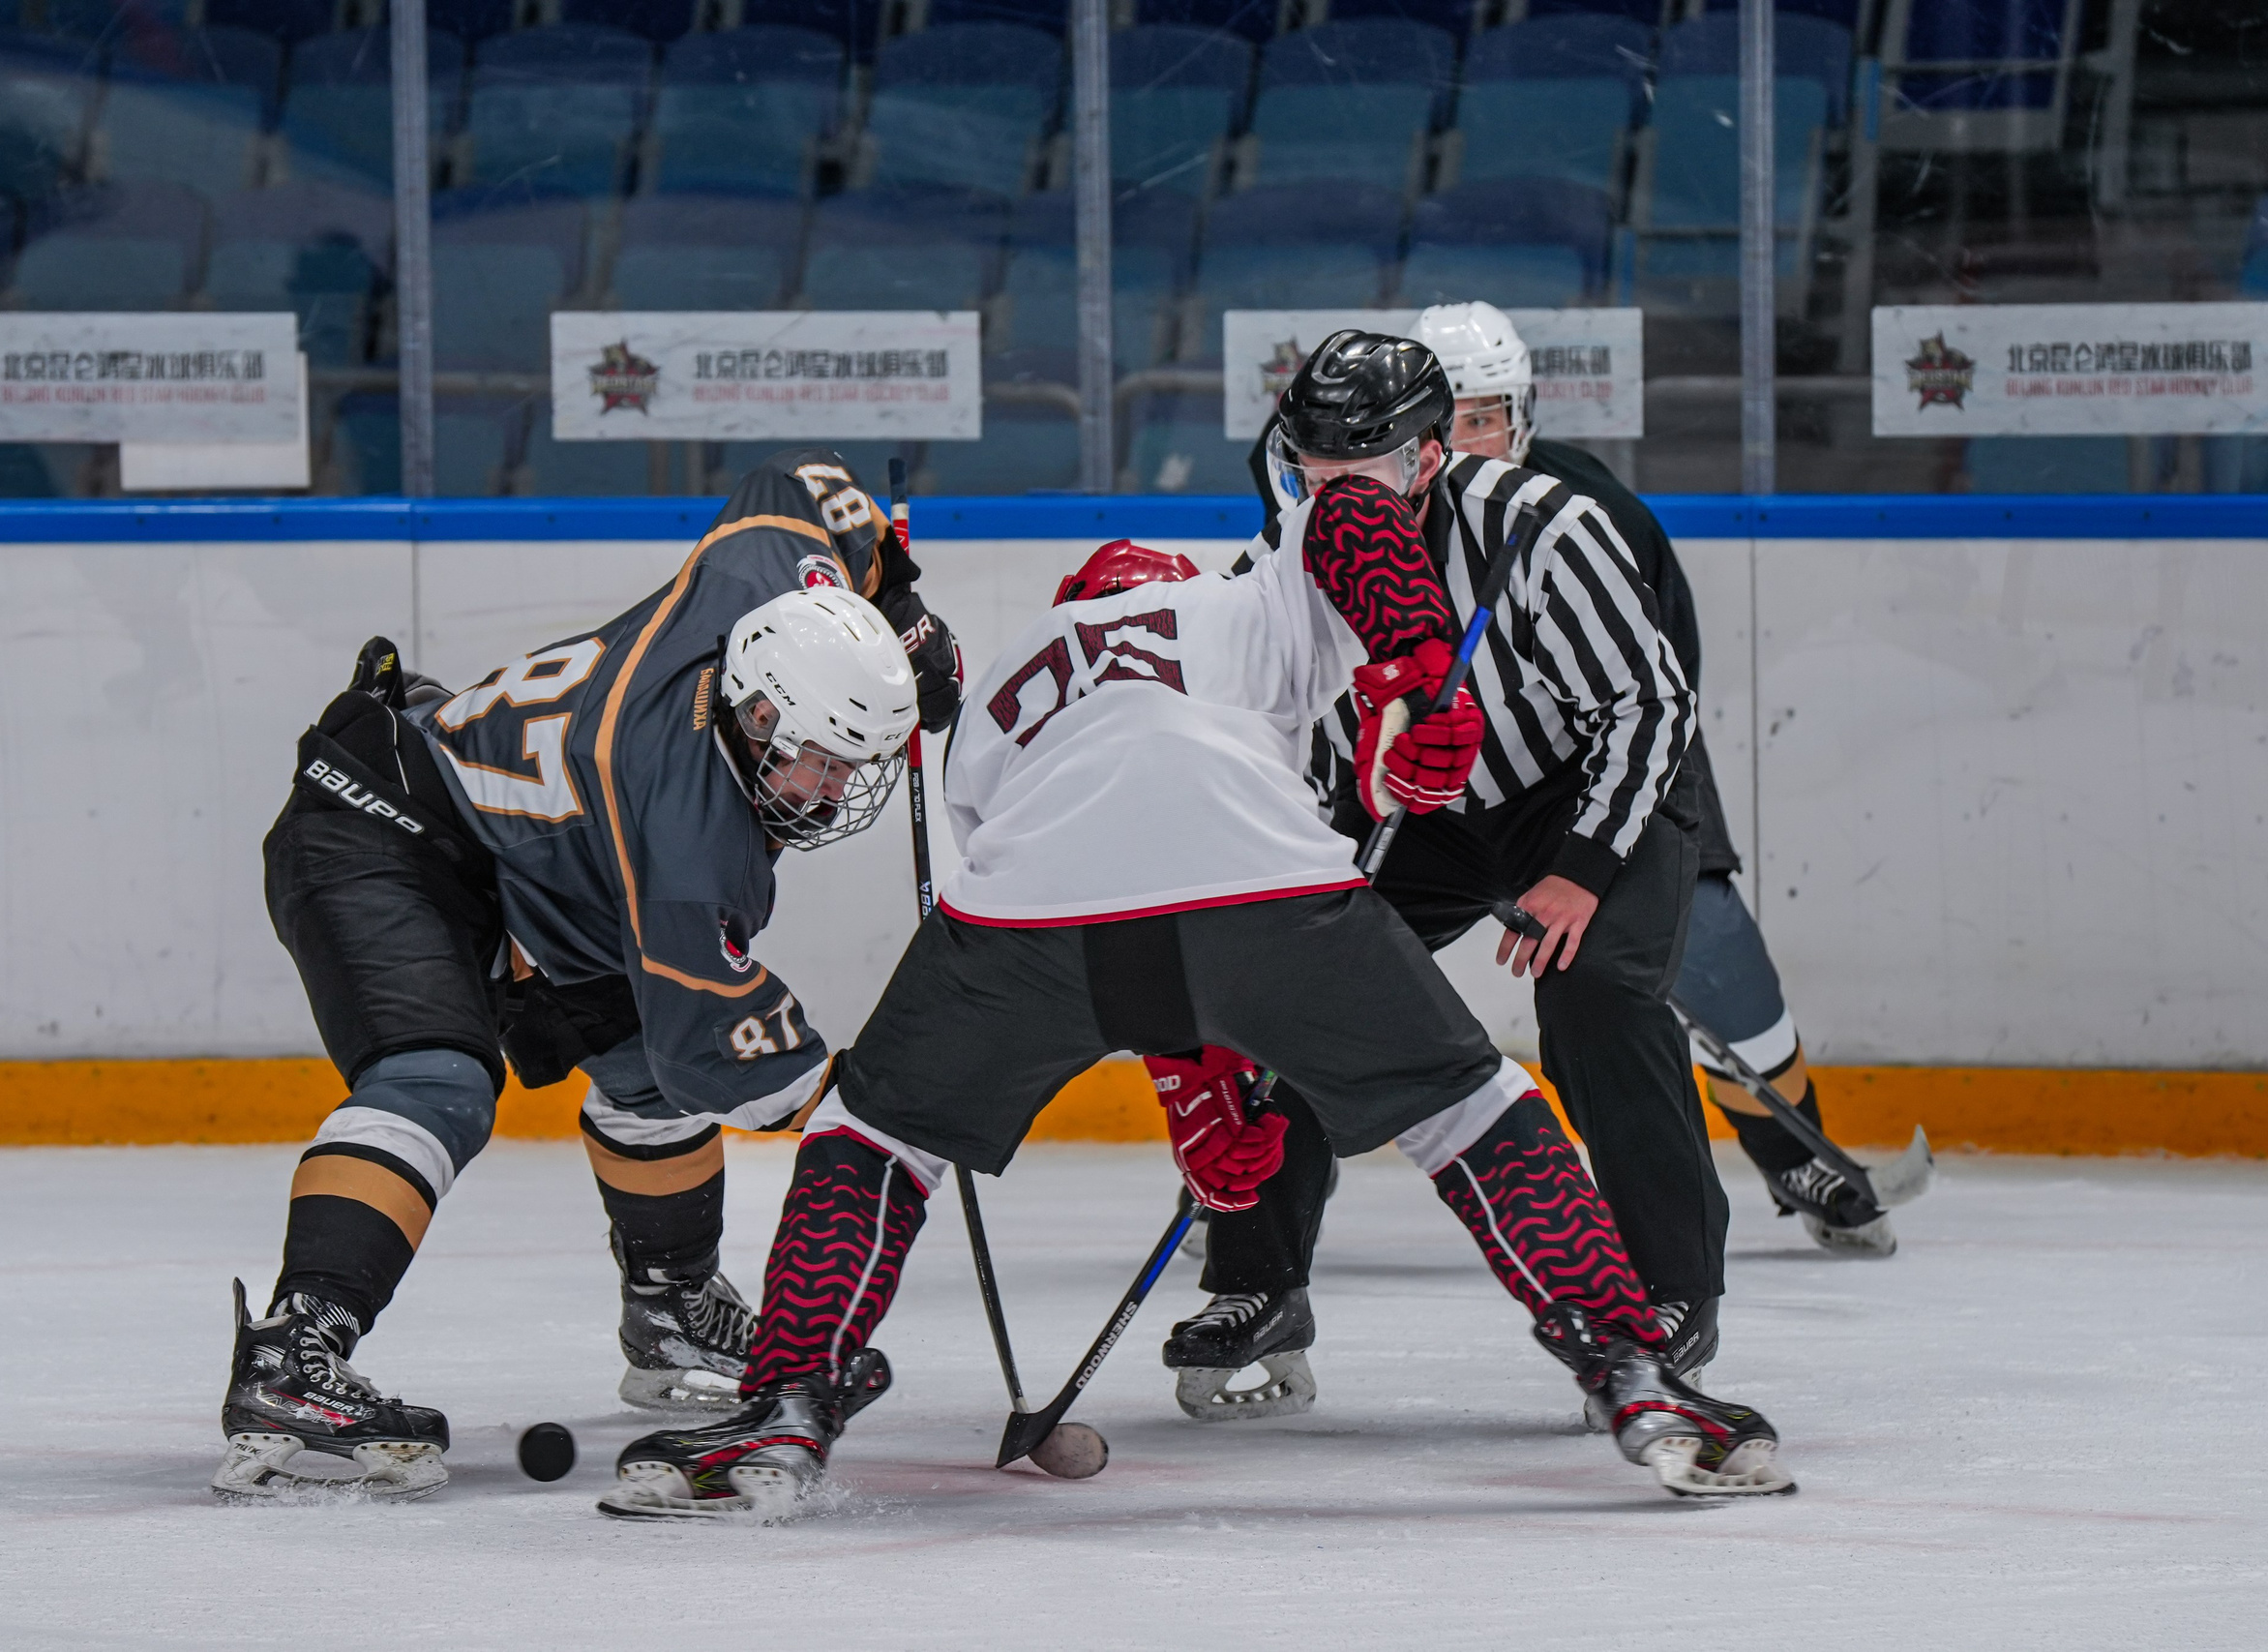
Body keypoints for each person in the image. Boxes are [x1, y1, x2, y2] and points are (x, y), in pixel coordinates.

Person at [601, 423, 1797, 1519]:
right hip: (1261, 878)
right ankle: (1635, 1371)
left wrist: (1191, 1083)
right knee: (1470, 1112)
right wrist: (1412, 673)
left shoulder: (1018, 672)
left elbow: (1107, 911)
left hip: (1033, 900)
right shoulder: (1240, 601)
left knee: (870, 1135)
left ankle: (787, 1402)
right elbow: (1351, 517)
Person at [212, 449, 962, 1502]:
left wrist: (901, 603)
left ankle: (671, 1306)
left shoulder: (752, 595)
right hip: (383, 821)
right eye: (818, 760)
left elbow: (799, 481)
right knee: (438, 1081)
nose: (834, 794)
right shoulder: (692, 843)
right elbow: (727, 1051)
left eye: (852, 767)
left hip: (542, 859)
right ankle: (296, 1350)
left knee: (640, 1072)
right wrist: (898, 1106)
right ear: (753, 715)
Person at [1187, 306, 1891, 1425]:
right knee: (1293, 996)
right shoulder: (1277, 562)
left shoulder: (1546, 525)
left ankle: (1670, 1291)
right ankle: (1257, 1282)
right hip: (1414, 814)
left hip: (1586, 792)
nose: (1328, 493)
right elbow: (1267, 734)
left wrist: (1577, 868)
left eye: (1355, 467)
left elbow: (1649, 702)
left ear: (1425, 456)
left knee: (1597, 994)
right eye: (1309, 467)